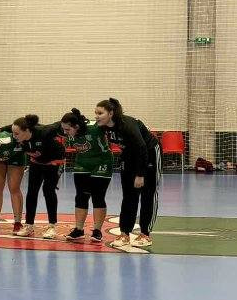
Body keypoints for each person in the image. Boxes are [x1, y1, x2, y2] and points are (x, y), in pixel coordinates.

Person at [96, 98, 160, 247]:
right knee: (129, 195)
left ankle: (145, 234)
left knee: (148, 194)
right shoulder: (103, 126)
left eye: (100, 113)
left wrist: (140, 175)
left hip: (149, 154)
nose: (96, 116)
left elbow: (142, 148)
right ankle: (124, 233)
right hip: (128, 156)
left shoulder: (127, 125)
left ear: (111, 113)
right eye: (96, 113)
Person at [60, 108, 113, 243]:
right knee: (81, 196)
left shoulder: (96, 128)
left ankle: (97, 230)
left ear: (76, 126)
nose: (65, 132)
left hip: (102, 162)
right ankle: (79, 230)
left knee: (98, 196)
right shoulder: (69, 133)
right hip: (82, 163)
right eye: (63, 129)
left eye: (67, 130)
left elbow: (114, 124)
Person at [0, 120, 34, 234]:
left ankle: (18, 222)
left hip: (16, 155)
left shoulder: (9, 141)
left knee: (14, 188)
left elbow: (21, 131)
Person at [16, 115, 65, 238]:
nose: (14, 136)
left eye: (16, 133)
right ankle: (29, 225)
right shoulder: (19, 135)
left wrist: (74, 119)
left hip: (54, 162)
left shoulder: (44, 132)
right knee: (31, 192)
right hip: (36, 162)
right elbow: (6, 128)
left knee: (48, 190)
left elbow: (58, 124)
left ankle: (52, 226)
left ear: (26, 130)